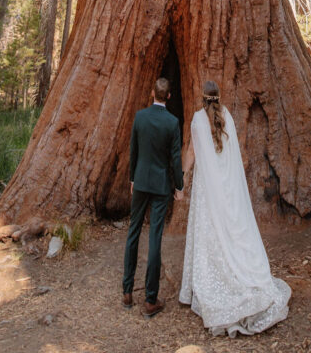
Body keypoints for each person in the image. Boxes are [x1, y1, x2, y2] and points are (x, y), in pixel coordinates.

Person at [179, 80, 291, 337]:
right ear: (218, 98)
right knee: (227, 229)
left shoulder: (197, 120)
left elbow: (192, 152)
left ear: (202, 98)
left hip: (208, 190)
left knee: (209, 232)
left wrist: (182, 179)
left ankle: (210, 281)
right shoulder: (226, 116)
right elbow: (229, 153)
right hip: (227, 189)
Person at [122, 76, 183, 317]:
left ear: (152, 93)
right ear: (168, 96)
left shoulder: (140, 117)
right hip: (159, 186)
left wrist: (133, 179)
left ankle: (127, 292)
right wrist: (179, 186)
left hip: (140, 182)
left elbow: (133, 150)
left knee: (133, 231)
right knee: (155, 237)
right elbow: (175, 158)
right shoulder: (172, 122)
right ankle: (150, 299)